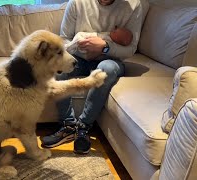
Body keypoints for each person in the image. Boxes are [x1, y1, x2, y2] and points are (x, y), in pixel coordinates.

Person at [41, 0, 149, 154]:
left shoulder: (134, 5)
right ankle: (68, 126)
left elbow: (130, 49)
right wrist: (80, 44)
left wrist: (104, 47)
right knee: (60, 66)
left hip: (110, 59)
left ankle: (83, 128)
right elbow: (64, 40)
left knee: (106, 69)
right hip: (78, 57)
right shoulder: (77, 3)